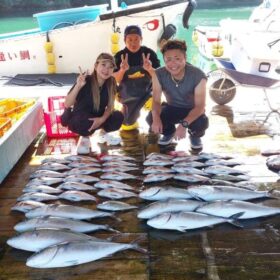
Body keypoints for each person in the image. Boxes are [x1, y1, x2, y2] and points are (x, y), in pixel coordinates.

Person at [146, 39, 209, 152]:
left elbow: (200, 107)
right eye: (168, 59)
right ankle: (169, 133)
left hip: (192, 110)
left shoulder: (198, 75)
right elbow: (156, 100)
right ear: (164, 60)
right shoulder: (158, 74)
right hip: (172, 108)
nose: (173, 64)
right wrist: (156, 118)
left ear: (185, 58)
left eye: (177, 59)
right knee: (151, 117)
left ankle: (194, 136)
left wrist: (183, 125)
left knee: (202, 122)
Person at [61, 53, 124, 154]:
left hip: (98, 117)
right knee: (83, 122)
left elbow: (110, 106)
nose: (106, 70)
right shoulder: (85, 80)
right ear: (96, 65)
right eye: (103, 65)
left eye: (110, 67)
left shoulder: (111, 82)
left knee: (118, 116)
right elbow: (67, 104)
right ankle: (84, 137)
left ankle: (102, 134)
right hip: (80, 119)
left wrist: (101, 119)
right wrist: (78, 86)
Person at [114, 25, 160, 131]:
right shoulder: (119, 56)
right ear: (125, 40)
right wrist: (122, 70)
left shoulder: (149, 53)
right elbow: (114, 80)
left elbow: (160, 77)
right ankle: (127, 114)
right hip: (127, 95)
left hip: (147, 93)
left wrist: (149, 69)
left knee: (158, 115)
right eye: (130, 39)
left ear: (141, 39)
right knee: (127, 125)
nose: (133, 43)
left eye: (136, 39)